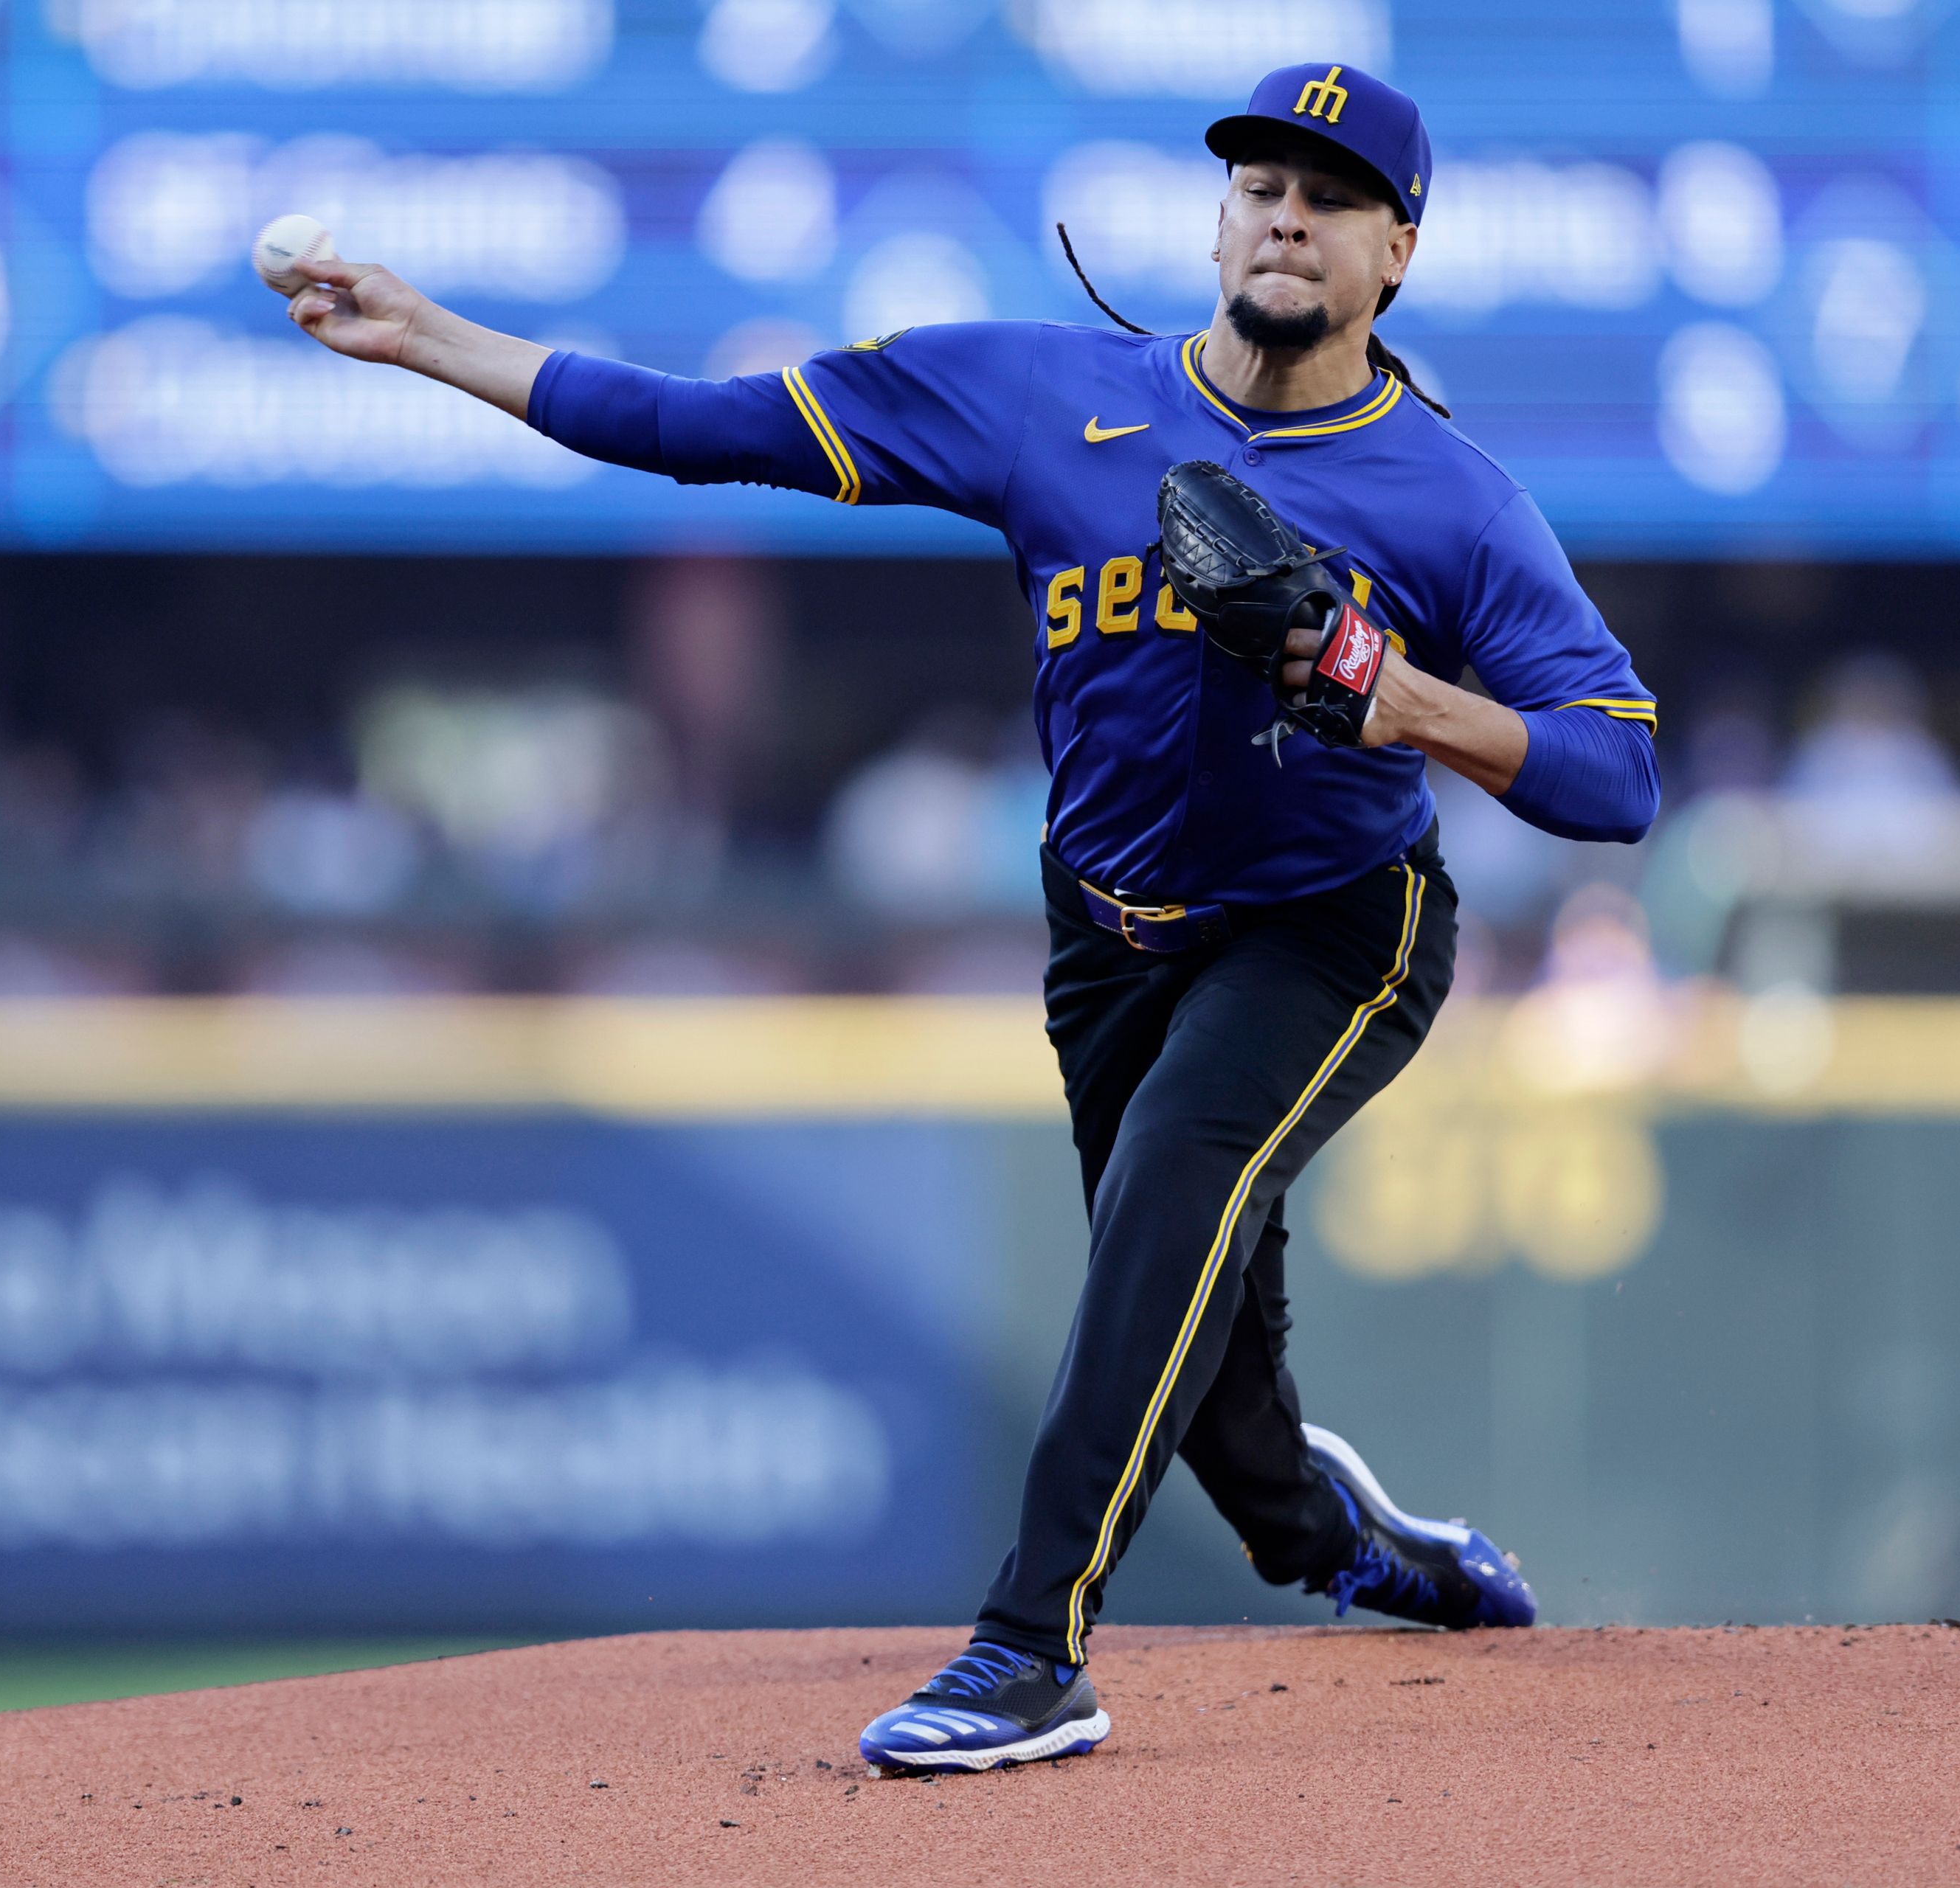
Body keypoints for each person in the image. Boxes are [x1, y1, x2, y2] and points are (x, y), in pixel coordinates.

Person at [283, 59, 1660, 1774]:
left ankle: (1029, 1648)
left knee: (1171, 1193)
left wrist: (1399, 690)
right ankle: (1349, 1541)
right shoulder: (1039, 397)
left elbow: (1618, 773)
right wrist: (428, 334)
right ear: (1221, 217)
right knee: (1228, 1415)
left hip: (1331, 923)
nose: (1286, 211)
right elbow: (696, 425)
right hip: (1108, 935)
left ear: (1398, 254)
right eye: (1258, 182)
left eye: (1332, 192)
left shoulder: (1448, 496)